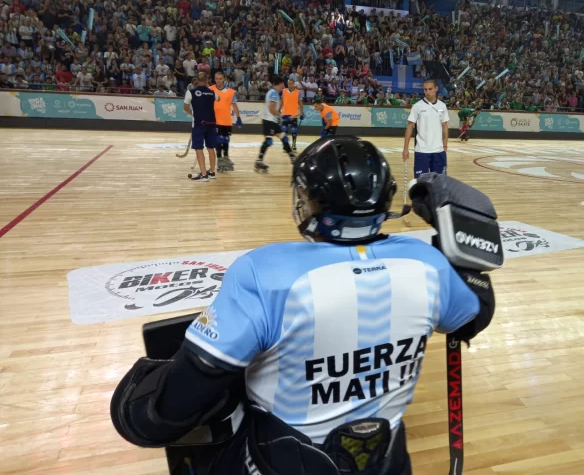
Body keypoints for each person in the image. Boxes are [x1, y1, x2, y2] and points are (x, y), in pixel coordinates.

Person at [110, 136, 499, 475]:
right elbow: (472, 317)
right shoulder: (425, 264)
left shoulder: (265, 272)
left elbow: (164, 413)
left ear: (308, 201)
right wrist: (465, 246)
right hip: (386, 461)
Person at [402, 79, 449, 178]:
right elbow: (410, 127)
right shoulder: (417, 106)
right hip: (422, 151)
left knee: (440, 184)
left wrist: (445, 146)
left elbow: (444, 127)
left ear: (436, 88)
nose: (427, 92)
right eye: (425, 89)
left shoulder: (442, 106)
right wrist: (405, 149)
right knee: (421, 184)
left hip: (439, 152)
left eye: (430, 89)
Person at [184, 72, 220, 182]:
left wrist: (193, 114)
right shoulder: (212, 92)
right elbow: (219, 99)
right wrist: (208, 89)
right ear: (207, 81)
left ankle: (204, 175)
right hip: (211, 124)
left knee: (199, 149)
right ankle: (212, 172)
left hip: (199, 124)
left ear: (195, 80)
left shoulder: (190, 92)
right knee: (211, 148)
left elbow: (185, 107)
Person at [255, 75, 295, 173]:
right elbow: (271, 108)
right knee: (269, 141)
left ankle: (293, 158)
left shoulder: (274, 93)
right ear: (281, 83)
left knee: (284, 137)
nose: (283, 86)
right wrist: (280, 115)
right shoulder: (273, 93)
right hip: (269, 121)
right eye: (283, 84)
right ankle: (259, 161)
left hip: (272, 120)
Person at [210, 71, 242, 172]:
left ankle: (226, 158)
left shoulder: (230, 92)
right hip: (215, 120)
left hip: (226, 120)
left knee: (226, 140)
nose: (218, 81)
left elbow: (234, 105)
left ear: (224, 79)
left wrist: (238, 118)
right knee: (218, 140)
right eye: (217, 79)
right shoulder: (211, 90)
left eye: (220, 79)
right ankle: (219, 159)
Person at [281, 78, 304, 152]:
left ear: (294, 84)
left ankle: (294, 145)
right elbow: (281, 102)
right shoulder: (284, 91)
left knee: (294, 130)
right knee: (284, 129)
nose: (289, 85)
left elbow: (300, 104)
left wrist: (302, 113)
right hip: (285, 114)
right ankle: (286, 146)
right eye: (288, 83)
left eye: (291, 83)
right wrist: (278, 111)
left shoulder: (298, 92)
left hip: (294, 114)